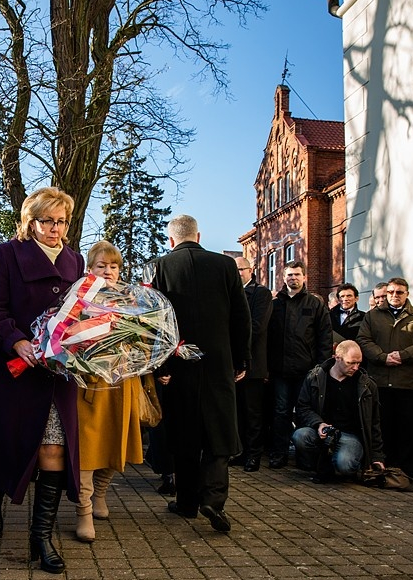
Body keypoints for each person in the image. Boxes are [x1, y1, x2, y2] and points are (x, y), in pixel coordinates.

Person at [0, 187, 84, 573]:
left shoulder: (75, 260)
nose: (55, 229)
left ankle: (41, 536)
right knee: (6, 443)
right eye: (47, 221)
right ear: (30, 221)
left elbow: (79, 314)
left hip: (55, 374)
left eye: (61, 221)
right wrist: (16, 340)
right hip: (15, 371)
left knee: (53, 448)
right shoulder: (7, 253)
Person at [151, 215, 251, 533]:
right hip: (219, 362)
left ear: (171, 240)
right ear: (199, 235)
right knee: (219, 430)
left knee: (184, 432)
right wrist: (241, 359)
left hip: (179, 365)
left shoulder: (161, 267)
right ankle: (214, 499)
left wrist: (162, 365)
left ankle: (187, 502)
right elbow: (241, 315)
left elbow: (156, 321)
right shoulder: (225, 266)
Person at [73, 241, 144, 542]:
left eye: (113, 266)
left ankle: (101, 493)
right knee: (89, 447)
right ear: (90, 269)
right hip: (91, 383)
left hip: (122, 382)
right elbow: (67, 337)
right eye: (102, 266)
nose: (108, 271)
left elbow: (144, 339)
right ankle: (83, 510)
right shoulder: (78, 299)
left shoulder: (131, 299)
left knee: (119, 441)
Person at [357, 277, 413, 477]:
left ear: (407, 294)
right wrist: (383, 357)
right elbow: (363, 340)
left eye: (399, 292)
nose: (394, 296)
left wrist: (403, 355)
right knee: (383, 425)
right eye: (391, 292)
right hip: (380, 380)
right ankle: (385, 464)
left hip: (408, 381)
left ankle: (409, 468)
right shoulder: (373, 316)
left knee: (408, 426)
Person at [266, 260, 333, 469]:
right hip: (280, 371)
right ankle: (279, 454)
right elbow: (267, 337)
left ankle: (306, 457)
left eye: (296, 275)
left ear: (304, 277)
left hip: (308, 371)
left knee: (306, 414)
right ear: (283, 278)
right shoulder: (275, 304)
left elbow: (325, 338)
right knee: (280, 413)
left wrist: (321, 368)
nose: (292, 278)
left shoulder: (315, 304)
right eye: (289, 275)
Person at [292, 341, 385, 482]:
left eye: (359, 363)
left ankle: (336, 465)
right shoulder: (316, 376)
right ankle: (322, 464)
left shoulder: (366, 385)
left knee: (346, 465)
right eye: (351, 363)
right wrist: (319, 424)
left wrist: (377, 457)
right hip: (325, 431)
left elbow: (374, 422)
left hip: (351, 435)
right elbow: (303, 407)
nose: (355, 367)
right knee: (300, 436)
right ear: (337, 357)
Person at [232, 256, 272, 472]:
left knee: (253, 413)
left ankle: (254, 455)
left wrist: (236, 346)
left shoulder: (261, 293)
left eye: (241, 269)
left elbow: (257, 327)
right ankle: (242, 452)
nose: (238, 273)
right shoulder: (233, 293)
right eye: (234, 270)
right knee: (238, 412)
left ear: (250, 270)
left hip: (253, 363)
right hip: (235, 363)